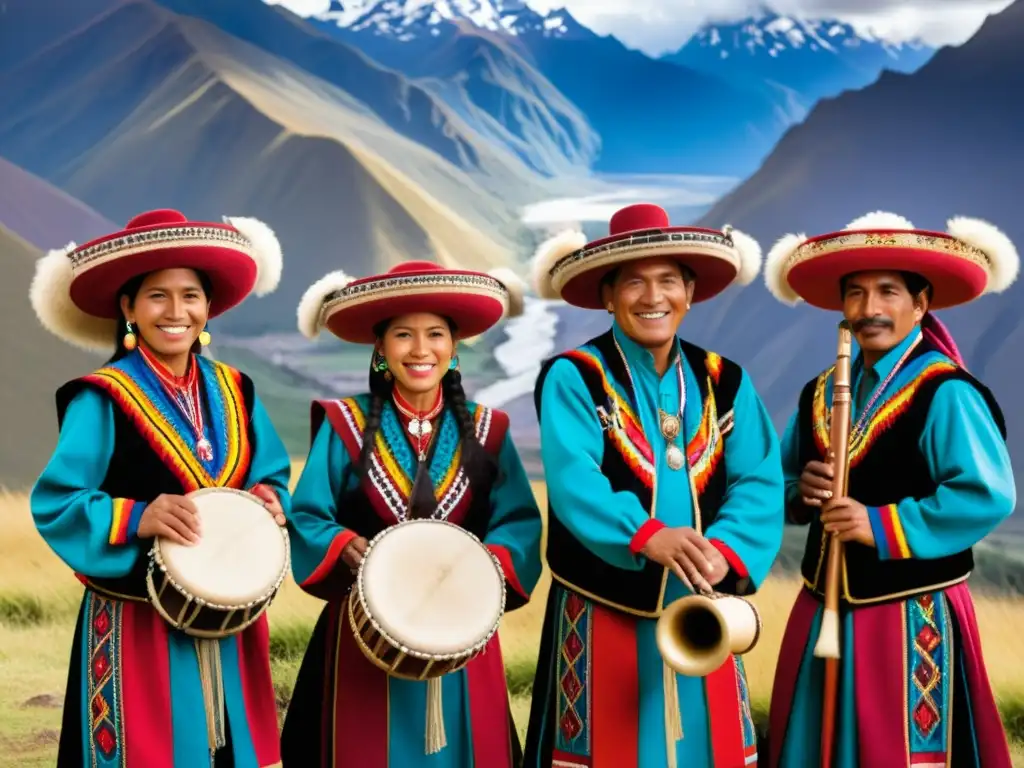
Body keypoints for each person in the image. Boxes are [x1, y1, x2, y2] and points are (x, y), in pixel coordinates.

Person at [523, 202, 785, 768]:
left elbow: (758, 480)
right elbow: (574, 480)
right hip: (603, 610)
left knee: (708, 749)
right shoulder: (576, 376)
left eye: (668, 280)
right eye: (634, 282)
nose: (652, 297)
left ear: (689, 292)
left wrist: (725, 552)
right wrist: (645, 534)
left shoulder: (725, 380)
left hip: (701, 607)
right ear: (608, 296)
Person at [28, 209, 291, 768]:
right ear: (128, 308)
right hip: (136, 625)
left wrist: (270, 502)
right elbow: (59, 501)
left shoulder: (235, 388)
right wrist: (136, 517)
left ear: (208, 306)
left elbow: (270, 474)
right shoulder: (101, 397)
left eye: (191, 295)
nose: (177, 312)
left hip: (231, 620)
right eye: (157, 296)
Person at [764, 211, 1018, 767]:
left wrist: (879, 524)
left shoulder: (946, 392)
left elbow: (987, 493)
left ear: (921, 304)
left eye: (887, 292)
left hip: (910, 613)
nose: (869, 309)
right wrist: (798, 491)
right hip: (819, 606)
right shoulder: (820, 390)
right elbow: (775, 477)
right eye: (854, 293)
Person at [280, 260, 544, 768]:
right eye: (403, 334)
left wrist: (484, 563)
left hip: (463, 635)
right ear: (380, 347)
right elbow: (309, 515)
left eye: (436, 334)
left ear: (455, 345)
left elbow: (519, 523)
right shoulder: (344, 425)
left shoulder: (491, 432)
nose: (420, 350)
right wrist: (341, 545)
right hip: (360, 634)